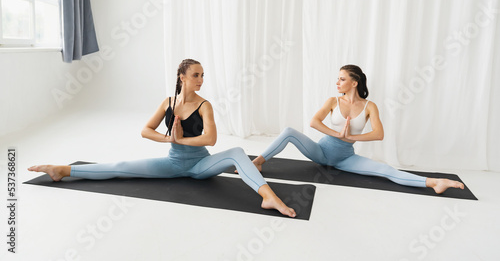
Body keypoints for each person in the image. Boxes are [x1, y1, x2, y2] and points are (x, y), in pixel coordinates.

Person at [29, 59, 296, 217]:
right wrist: (170, 141)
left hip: (201, 165)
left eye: (202, 75)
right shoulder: (168, 102)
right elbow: (146, 130)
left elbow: (211, 140)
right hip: (172, 163)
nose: (201, 80)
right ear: (182, 77)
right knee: (122, 168)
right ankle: (63, 170)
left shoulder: (205, 106)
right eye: (196, 75)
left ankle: (269, 196)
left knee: (237, 151)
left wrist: (180, 141)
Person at [252, 65, 464, 194]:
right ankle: (258, 162)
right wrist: (337, 134)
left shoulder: (369, 106)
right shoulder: (333, 101)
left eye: (342, 79)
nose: (337, 82)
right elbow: (314, 122)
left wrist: (351, 136)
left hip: (345, 158)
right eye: (338, 79)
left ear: (354, 83)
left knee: (386, 170)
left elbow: (379, 134)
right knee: (289, 131)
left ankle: (434, 182)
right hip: (321, 151)